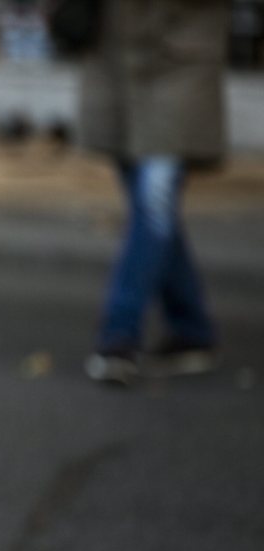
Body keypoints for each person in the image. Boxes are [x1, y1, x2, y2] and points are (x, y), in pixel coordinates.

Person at [80, 0, 229, 385]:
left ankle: (119, 335)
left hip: (178, 60)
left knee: (154, 202)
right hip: (114, 61)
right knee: (154, 211)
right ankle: (192, 330)